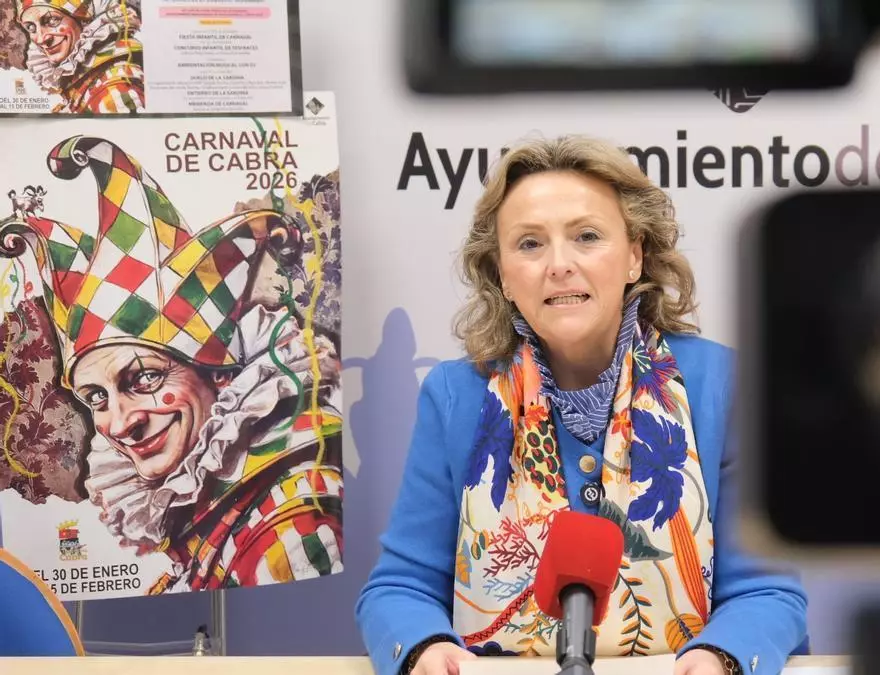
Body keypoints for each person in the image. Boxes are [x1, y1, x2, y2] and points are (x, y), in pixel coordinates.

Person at [356, 135, 809, 675]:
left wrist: (721, 658)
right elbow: (400, 588)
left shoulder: (721, 383)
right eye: (529, 244)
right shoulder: (456, 395)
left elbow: (767, 591)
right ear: (502, 273)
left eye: (587, 237)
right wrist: (423, 646)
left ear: (635, 255)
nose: (559, 264)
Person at [0, 135, 343, 593]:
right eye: (96, 397)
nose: (120, 423)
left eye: (144, 378)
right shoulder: (207, 513)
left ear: (223, 375)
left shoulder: (291, 531)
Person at [15, 0, 145, 113]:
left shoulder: (114, 88)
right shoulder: (81, 80)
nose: (41, 39)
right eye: (31, 27)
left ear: (84, 20)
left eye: (53, 20)